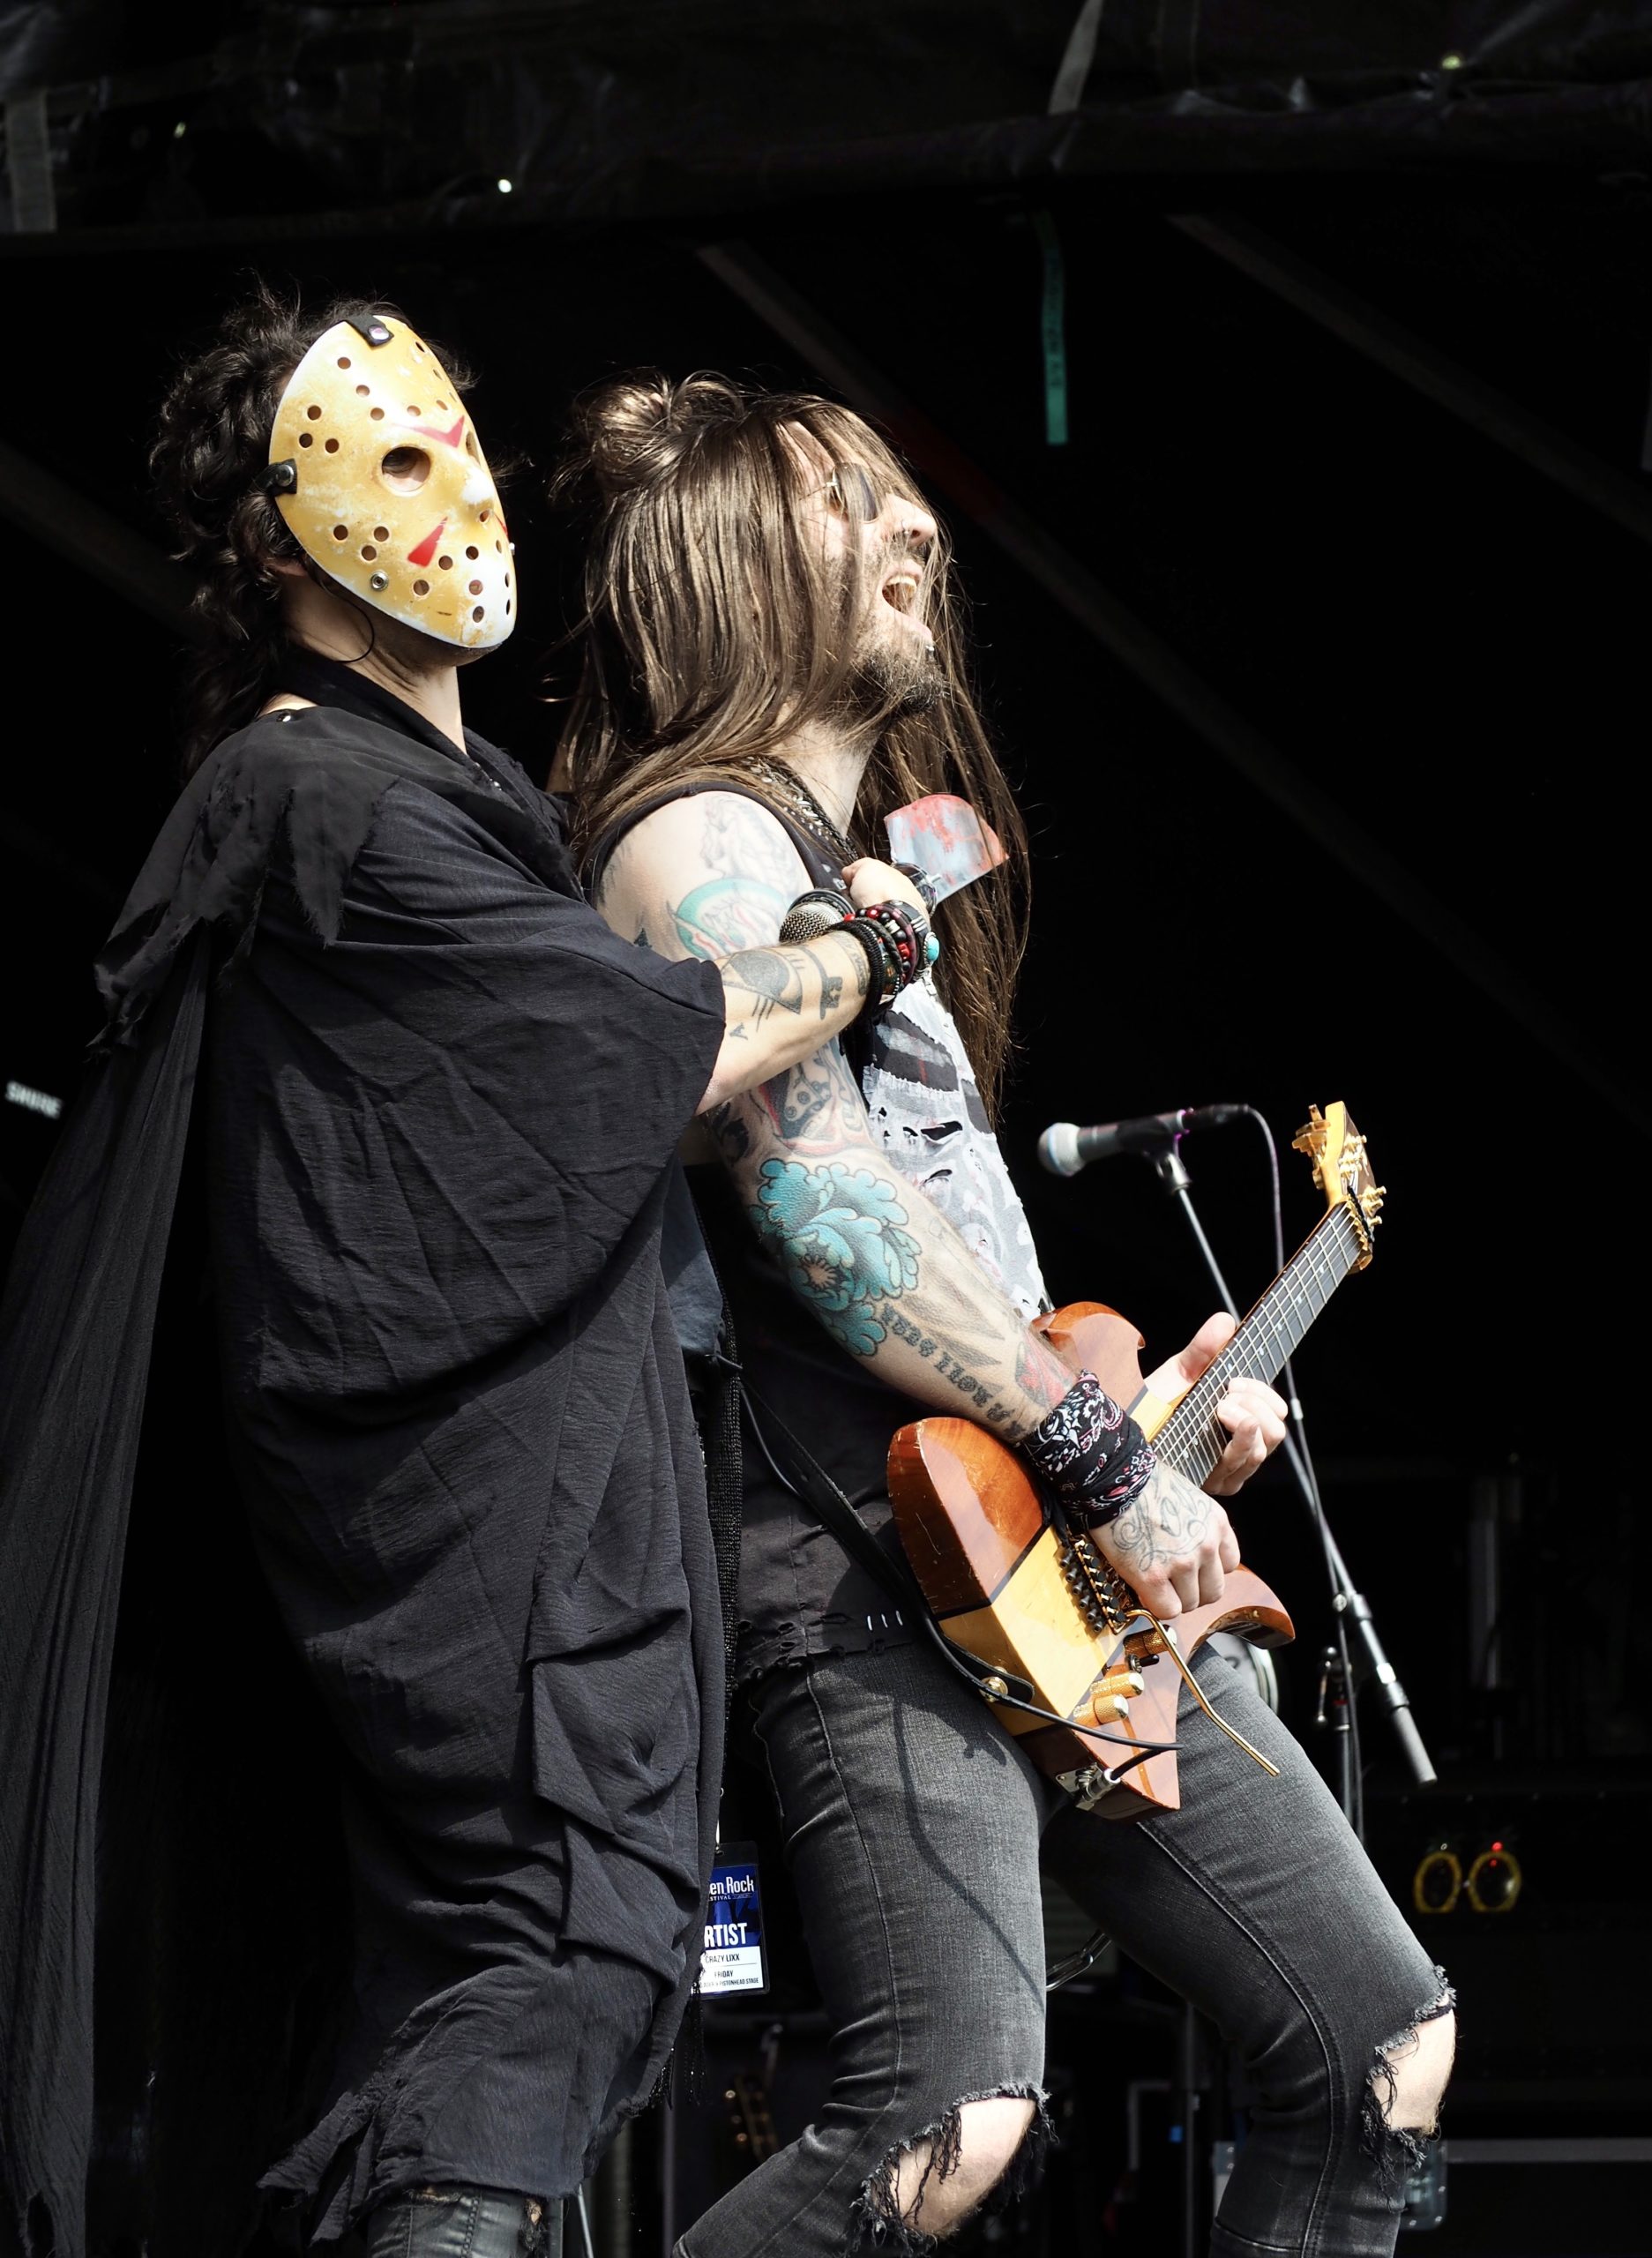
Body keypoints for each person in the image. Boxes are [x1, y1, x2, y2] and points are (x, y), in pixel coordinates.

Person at [0, 295, 932, 2258]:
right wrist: (873, 945)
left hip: (517, 1522)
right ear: (275, 538)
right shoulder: (318, 799)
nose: (468, 502)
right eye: (399, 458)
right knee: (551, 1949)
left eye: (466, 453)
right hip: (476, 1540)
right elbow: (649, 1044)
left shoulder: (416, 803)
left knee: (522, 1973)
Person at [557, 372, 1456, 2258]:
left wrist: (1149, 1416)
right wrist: (1104, 1459)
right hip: (865, 1568)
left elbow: (956, 1278)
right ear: (728, 556)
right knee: (945, 2117)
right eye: (846, 500)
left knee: (1382, 2044)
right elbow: (820, 1209)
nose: (915, 527)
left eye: (909, 499)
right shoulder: (695, 840)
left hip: (1044, 1559)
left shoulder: (867, 870)